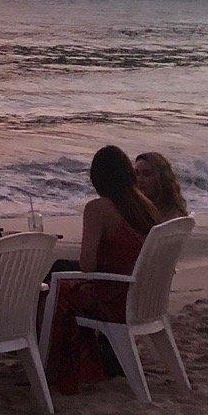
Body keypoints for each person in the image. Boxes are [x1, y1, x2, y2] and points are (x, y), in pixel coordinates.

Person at [45, 145, 165, 394]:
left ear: (97, 178)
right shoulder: (145, 207)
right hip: (143, 298)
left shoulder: (98, 208)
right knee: (61, 269)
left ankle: (48, 356)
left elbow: (88, 266)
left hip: (114, 300)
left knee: (54, 281)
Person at [135, 151, 188, 219]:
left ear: (161, 179)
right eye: (136, 174)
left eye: (147, 174)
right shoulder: (134, 208)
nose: (139, 179)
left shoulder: (174, 217)